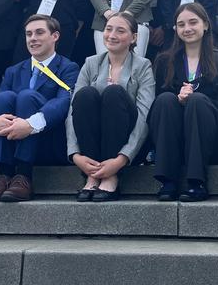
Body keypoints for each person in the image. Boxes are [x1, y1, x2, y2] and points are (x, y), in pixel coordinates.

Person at [0, 15, 79, 202]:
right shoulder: (13, 71)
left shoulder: (69, 68)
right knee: (5, 97)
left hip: (47, 142)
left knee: (26, 96)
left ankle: (24, 176)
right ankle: (5, 174)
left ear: (55, 36)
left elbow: (64, 102)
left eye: (39, 33)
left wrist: (29, 125)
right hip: (11, 140)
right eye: (28, 34)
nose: (32, 38)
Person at [148, 3, 218, 202]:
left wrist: (195, 101)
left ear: (205, 25)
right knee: (165, 100)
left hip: (213, 139)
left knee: (197, 101)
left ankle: (196, 181)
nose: (187, 28)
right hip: (175, 140)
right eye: (181, 25)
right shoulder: (164, 61)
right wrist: (179, 100)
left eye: (193, 22)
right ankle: (167, 180)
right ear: (175, 30)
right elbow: (156, 107)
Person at [66, 13, 155, 202]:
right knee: (84, 95)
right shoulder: (90, 63)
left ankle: (110, 176)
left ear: (134, 38)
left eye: (120, 30)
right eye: (108, 29)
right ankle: (92, 174)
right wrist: (75, 155)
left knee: (114, 93)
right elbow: (72, 112)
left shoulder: (143, 66)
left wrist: (121, 159)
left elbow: (144, 116)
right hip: (92, 145)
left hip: (127, 146)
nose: (112, 35)